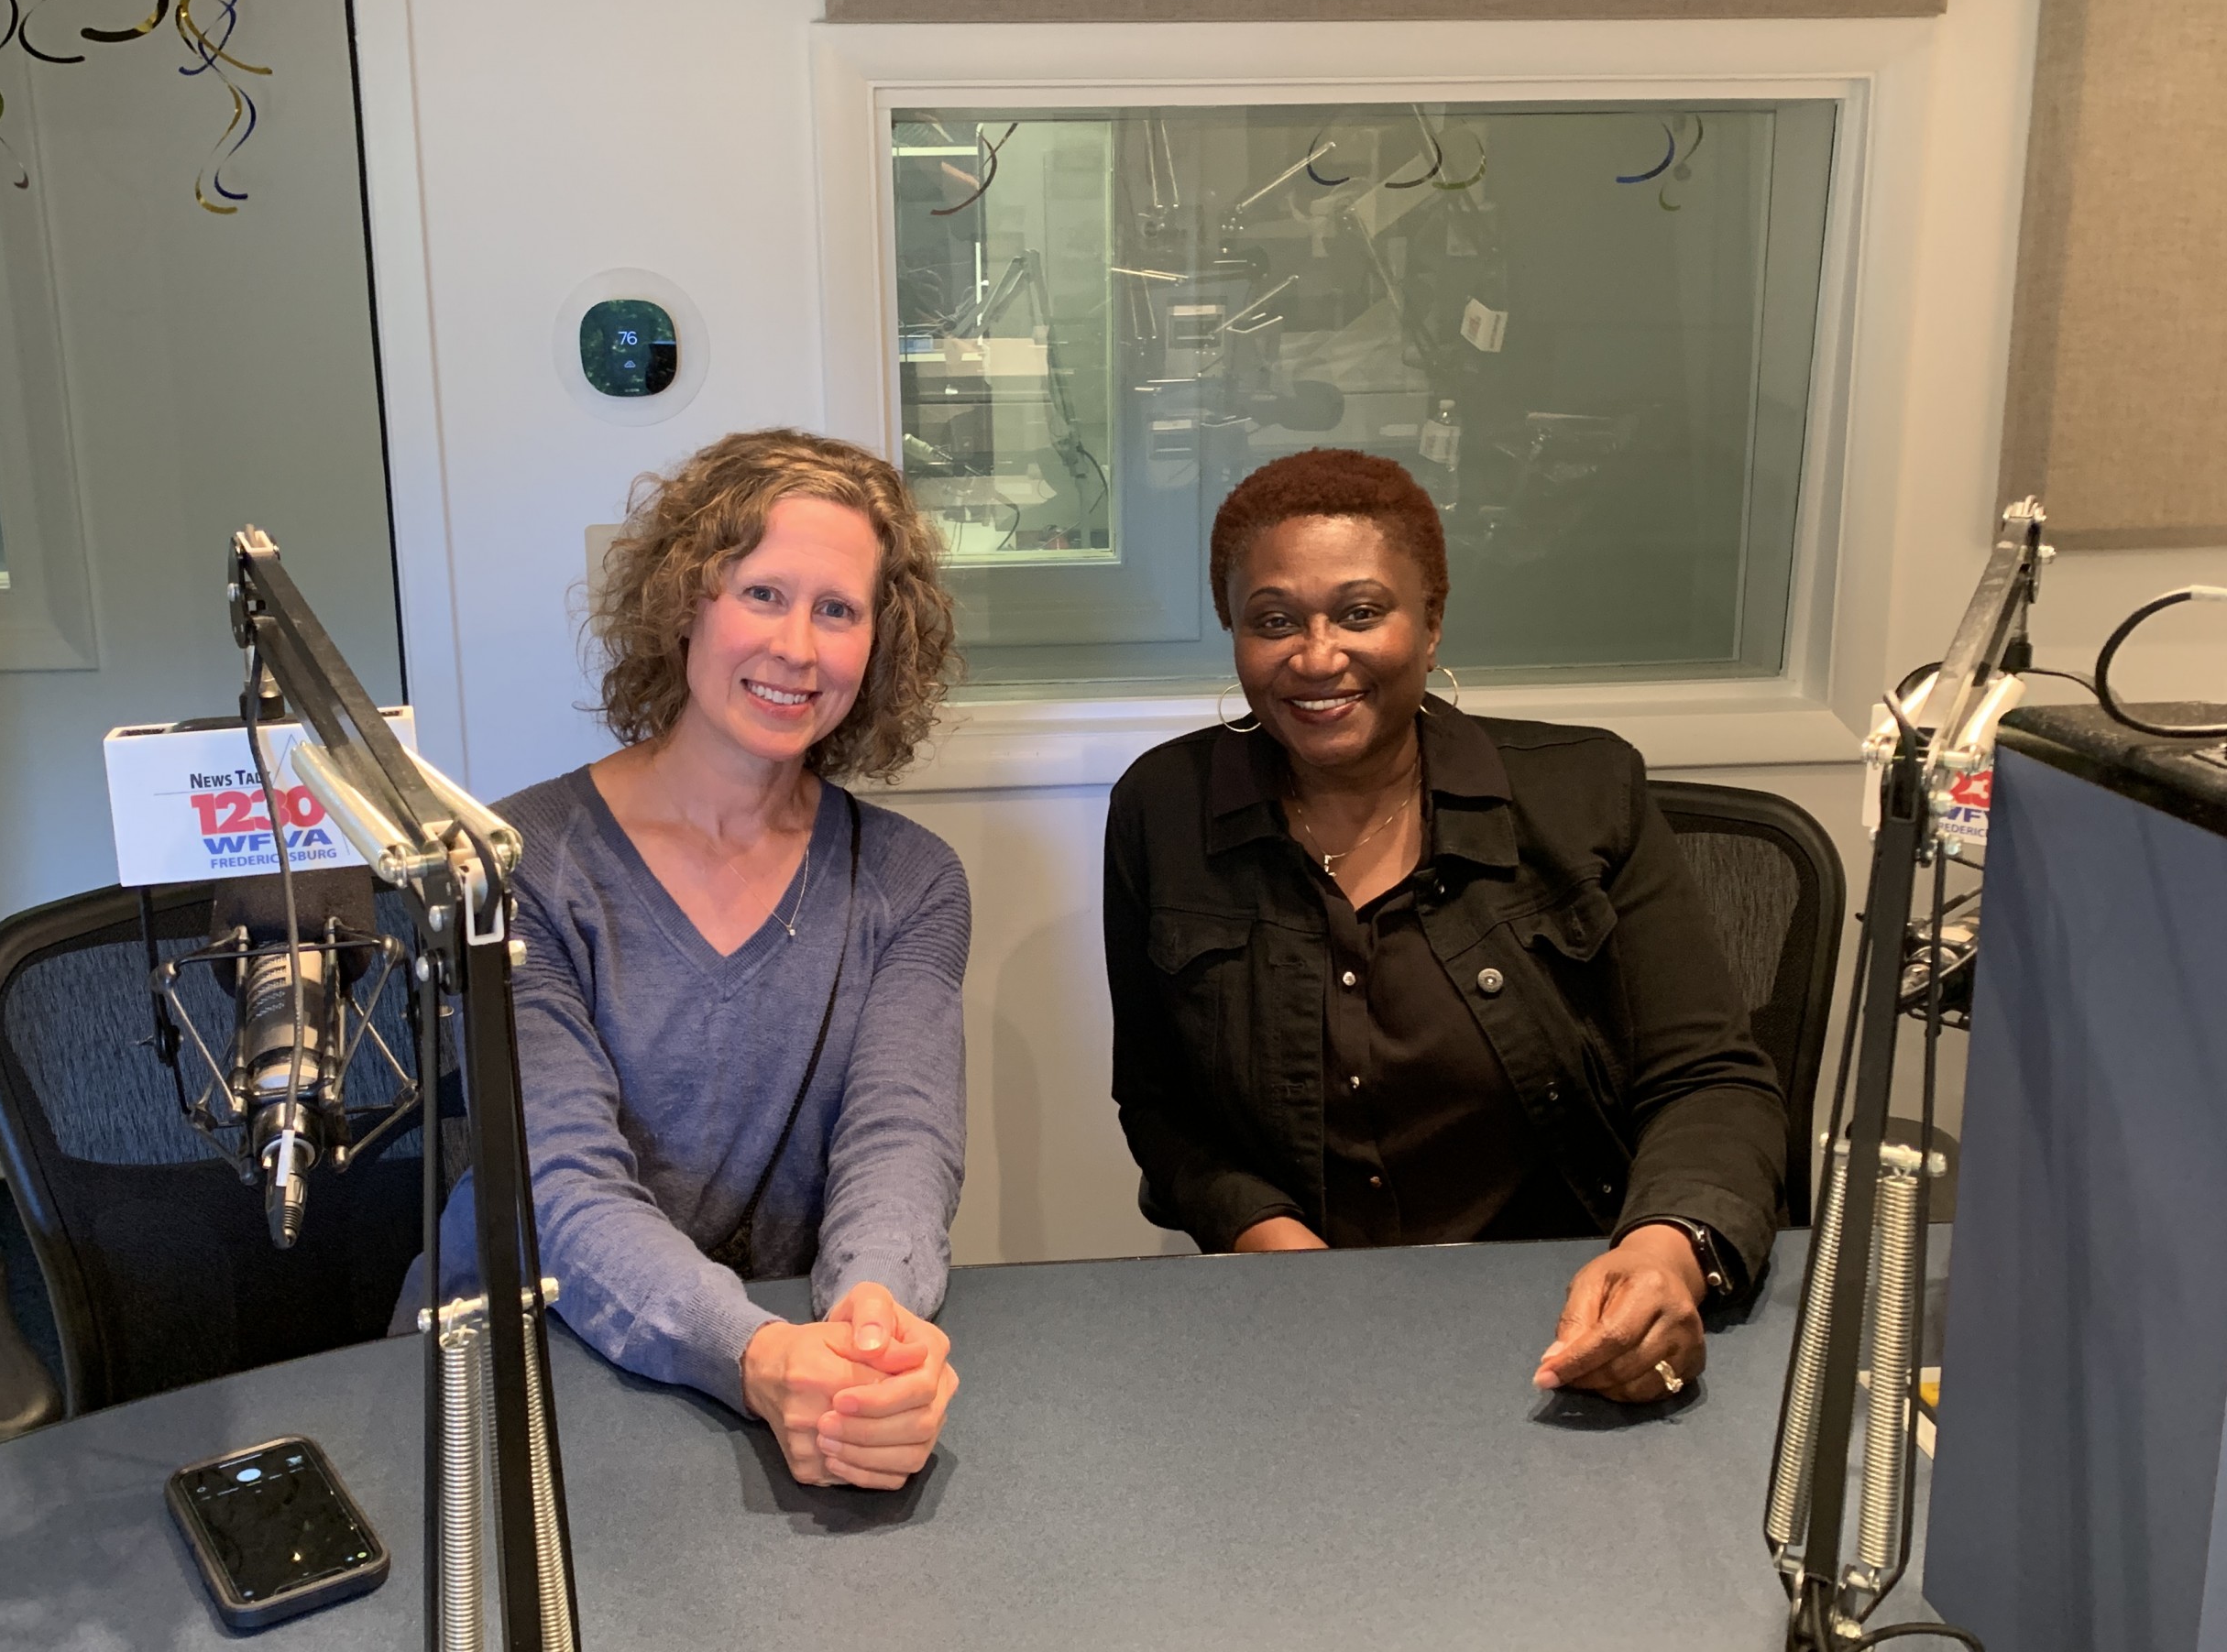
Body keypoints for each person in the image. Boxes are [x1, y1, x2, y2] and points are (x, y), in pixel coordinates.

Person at [1103, 448, 1785, 1403]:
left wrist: (1663, 1253)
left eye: (1359, 611)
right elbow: (1159, 1104)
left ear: (1430, 625)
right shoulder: (1162, 811)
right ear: (1235, 634)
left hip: (1567, 1306)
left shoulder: (1585, 794)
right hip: (1294, 1326)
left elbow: (1709, 1078)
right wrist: (1269, 1243)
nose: (1316, 656)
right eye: (1274, 620)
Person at [397, 429, 968, 1488]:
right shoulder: (516, 866)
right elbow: (560, 1187)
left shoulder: (911, 880)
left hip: (792, 1368)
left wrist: (870, 1329)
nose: (796, 648)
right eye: (762, 594)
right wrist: (756, 1359)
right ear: (683, 604)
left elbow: (901, 1143)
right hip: (528, 1364)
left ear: (880, 645)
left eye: (837, 611)